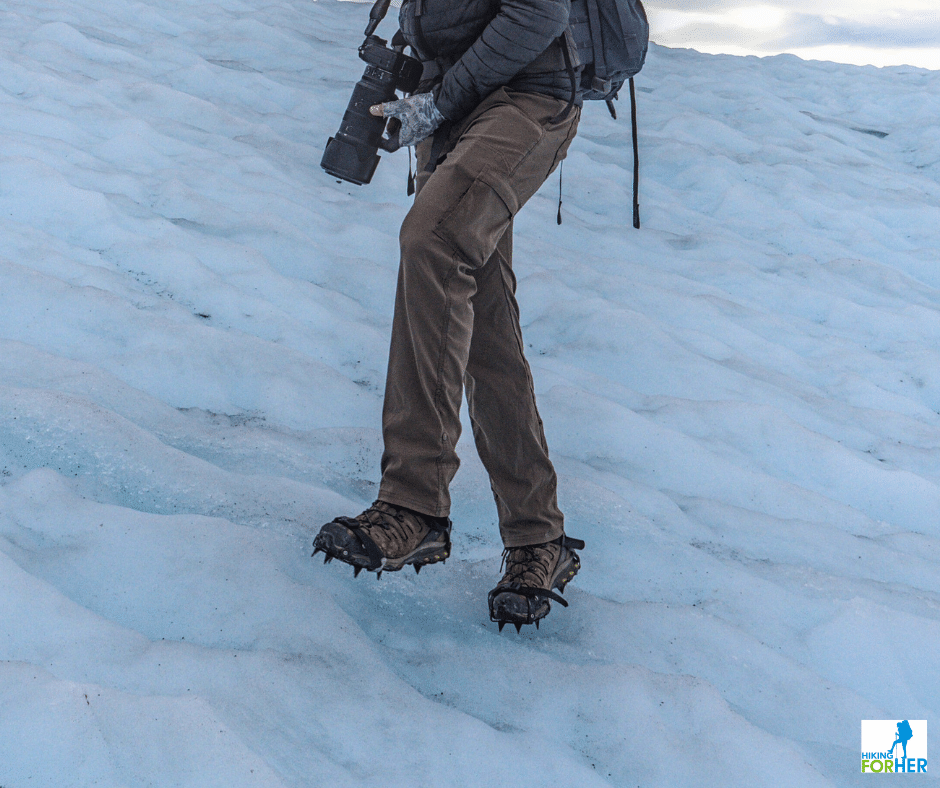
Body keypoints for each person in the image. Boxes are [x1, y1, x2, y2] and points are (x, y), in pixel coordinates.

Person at [313, 0, 585, 631]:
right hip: (460, 108)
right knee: (481, 321)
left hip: (527, 99)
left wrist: (438, 102)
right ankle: (537, 538)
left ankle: (413, 504)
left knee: (433, 241)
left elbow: (540, 12)